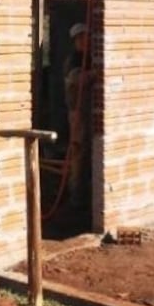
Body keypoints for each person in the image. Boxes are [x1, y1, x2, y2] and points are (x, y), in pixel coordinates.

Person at [64, 23, 93, 205]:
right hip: (77, 112)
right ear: (75, 41)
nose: (84, 41)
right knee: (79, 152)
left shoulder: (89, 57)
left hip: (89, 110)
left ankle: (84, 194)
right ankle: (75, 197)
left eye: (86, 37)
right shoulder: (73, 60)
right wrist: (96, 74)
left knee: (89, 152)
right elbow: (77, 79)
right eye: (80, 38)